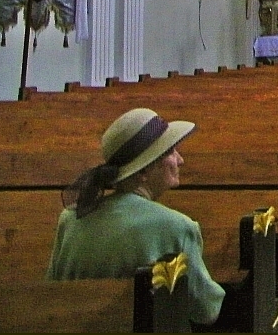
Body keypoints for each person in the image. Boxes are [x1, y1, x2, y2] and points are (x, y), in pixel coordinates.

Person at [48, 108, 224, 325]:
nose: (180, 160)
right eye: (171, 151)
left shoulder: (71, 219)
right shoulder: (176, 227)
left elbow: (52, 294)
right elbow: (206, 310)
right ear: (142, 172)